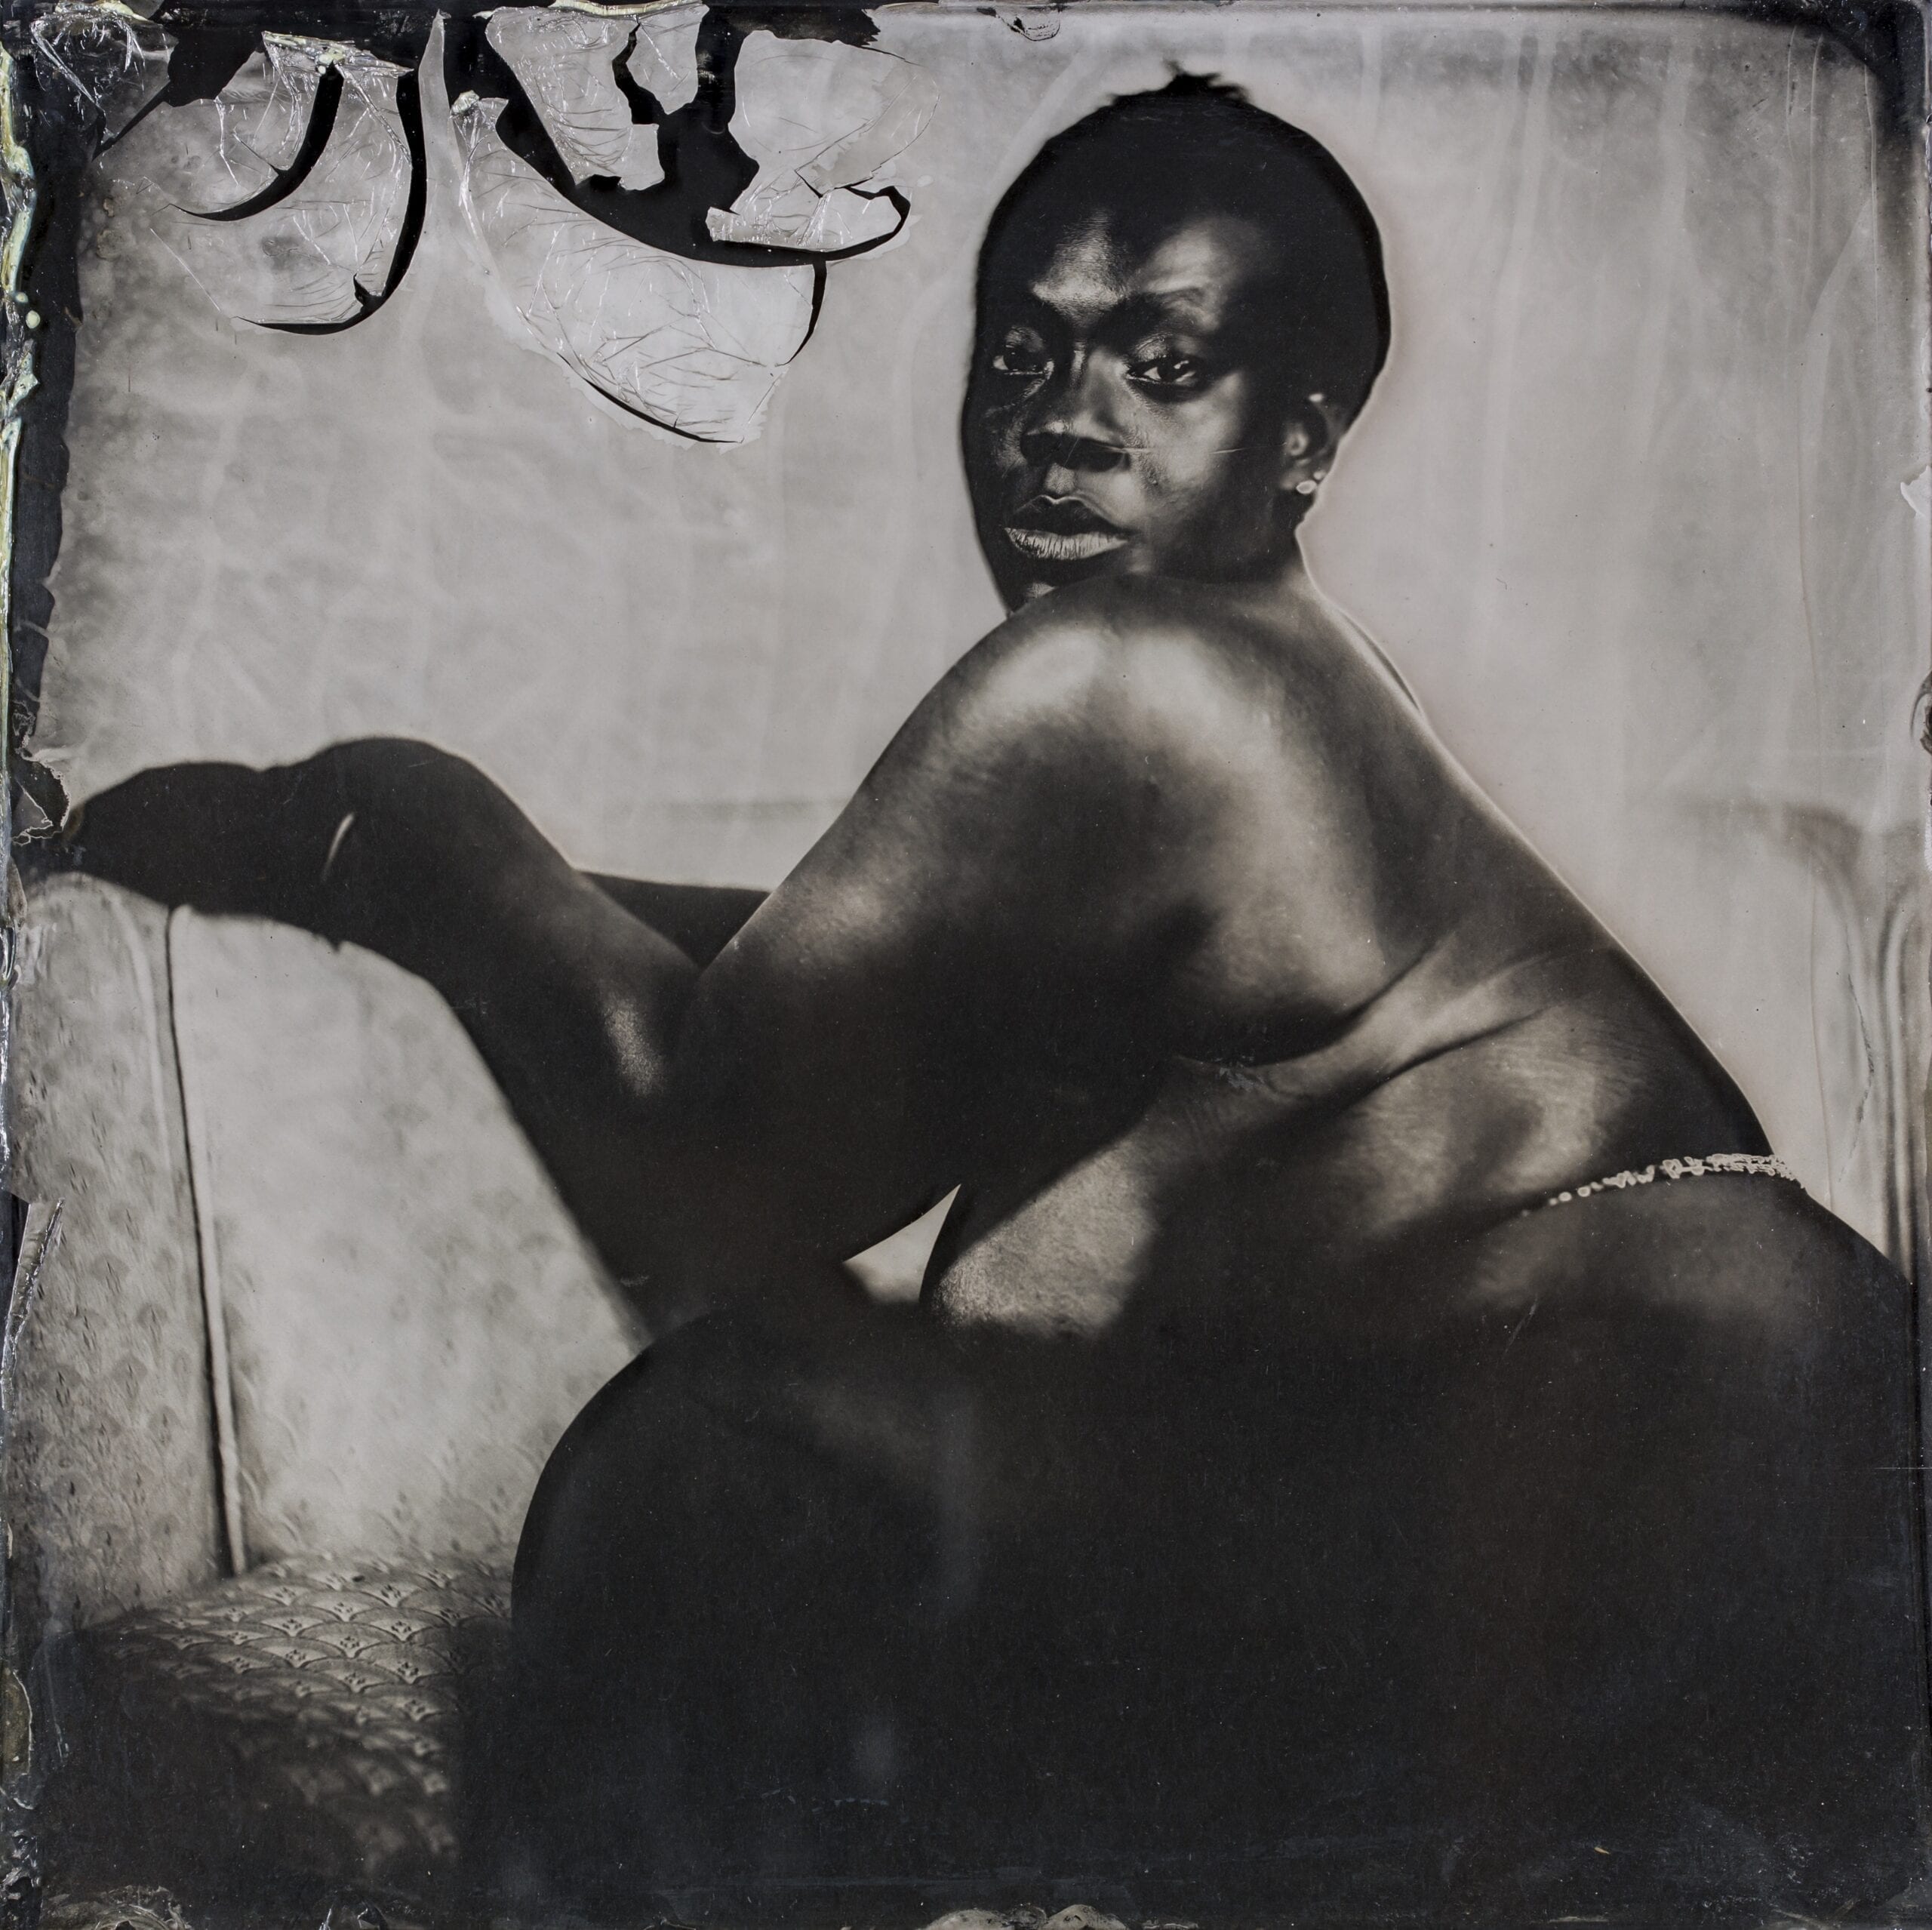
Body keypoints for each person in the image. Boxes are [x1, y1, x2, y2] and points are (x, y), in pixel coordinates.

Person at [56, 76, 1927, 1925]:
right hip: (1734, 1514)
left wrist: (389, 826)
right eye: (1020, 359)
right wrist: (330, 859)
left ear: (1300, 436)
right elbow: (847, 983)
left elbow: (713, 1172)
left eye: (1160, 366)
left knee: (715, 1451)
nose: (1061, 426)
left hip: (1633, 1464)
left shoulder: (1132, 667)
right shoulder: (1254, 711)